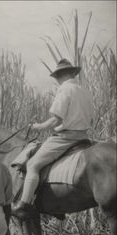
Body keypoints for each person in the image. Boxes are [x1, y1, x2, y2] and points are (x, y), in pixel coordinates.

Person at [12, 58, 94, 220]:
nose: (57, 80)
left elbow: (56, 119)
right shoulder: (85, 91)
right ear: (72, 73)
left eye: (57, 77)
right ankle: (57, 205)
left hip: (66, 137)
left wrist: (37, 126)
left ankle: (24, 205)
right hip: (84, 137)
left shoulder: (65, 89)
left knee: (33, 165)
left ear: (59, 76)